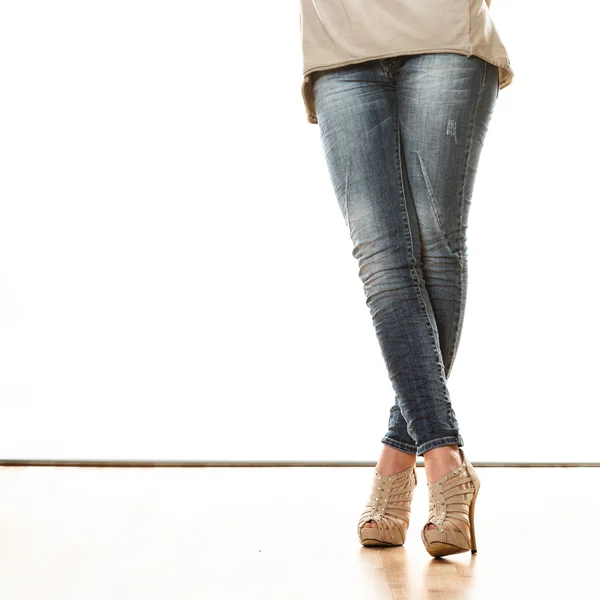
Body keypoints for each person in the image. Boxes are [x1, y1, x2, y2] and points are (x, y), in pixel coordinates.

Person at [298, 0, 514, 558]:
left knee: (435, 251)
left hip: (445, 33)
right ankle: (443, 460)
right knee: (382, 259)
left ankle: (407, 460)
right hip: (340, 41)